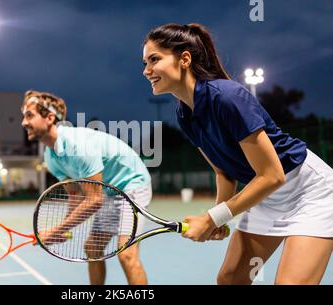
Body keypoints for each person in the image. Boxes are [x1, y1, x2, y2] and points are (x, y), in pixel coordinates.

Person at [142, 23, 332, 284]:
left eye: (154, 59)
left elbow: (272, 176)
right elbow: (223, 171)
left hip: (310, 193)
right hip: (268, 198)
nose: (146, 70)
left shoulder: (227, 97)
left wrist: (212, 218)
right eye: (145, 62)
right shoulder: (185, 113)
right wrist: (218, 217)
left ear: (184, 59)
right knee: (231, 279)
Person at [20, 90, 152, 285]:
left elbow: (93, 200)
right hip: (110, 190)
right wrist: (64, 231)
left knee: (127, 255)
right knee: (92, 249)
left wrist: (55, 230)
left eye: (29, 115)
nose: (23, 122)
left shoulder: (78, 146)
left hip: (133, 184)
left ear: (49, 118)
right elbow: (74, 194)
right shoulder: (51, 156)